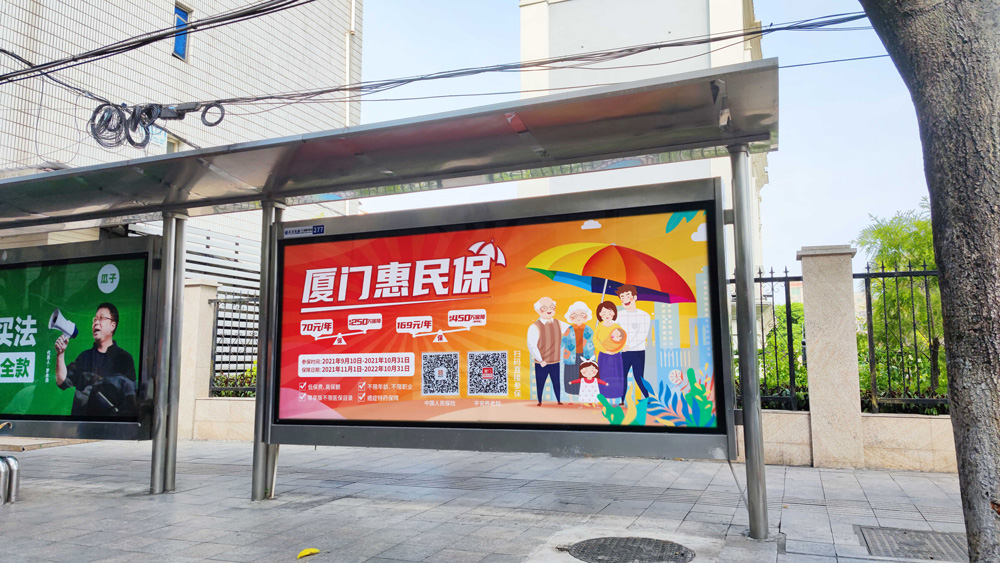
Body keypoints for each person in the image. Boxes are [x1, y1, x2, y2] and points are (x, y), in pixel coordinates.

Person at [54, 303, 137, 416]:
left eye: (101, 318)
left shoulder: (124, 358)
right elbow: (62, 381)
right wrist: (60, 354)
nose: (96, 322)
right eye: (95, 319)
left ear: (113, 325)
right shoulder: (84, 357)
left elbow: (130, 397)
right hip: (82, 422)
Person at [526, 296, 568, 405]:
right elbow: (532, 345)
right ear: (538, 310)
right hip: (542, 362)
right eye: (544, 308)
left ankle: (558, 401)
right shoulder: (534, 327)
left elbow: (570, 330)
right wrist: (540, 360)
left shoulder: (559, 323)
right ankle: (540, 401)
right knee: (540, 383)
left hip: (555, 360)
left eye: (551, 307)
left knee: (556, 382)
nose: (549, 310)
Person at [616, 284, 652, 403]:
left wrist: (629, 346)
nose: (625, 299)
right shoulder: (619, 315)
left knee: (639, 377)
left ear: (635, 297)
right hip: (624, 352)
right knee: (622, 377)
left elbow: (642, 335)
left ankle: (647, 398)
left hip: (638, 352)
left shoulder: (644, 315)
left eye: (628, 296)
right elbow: (613, 332)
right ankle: (622, 400)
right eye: (622, 297)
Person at [561, 301, 595, 405]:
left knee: (585, 377)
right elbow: (563, 342)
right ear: (571, 317)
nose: (579, 318)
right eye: (575, 315)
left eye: (582, 315)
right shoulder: (569, 329)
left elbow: (593, 342)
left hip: (585, 356)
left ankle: (585, 399)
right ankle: (571, 400)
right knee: (570, 376)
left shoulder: (588, 329)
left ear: (586, 316)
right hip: (571, 356)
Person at [594, 300, 625, 405]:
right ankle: (606, 402)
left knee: (615, 377)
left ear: (614, 313)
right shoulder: (599, 327)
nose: (607, 315)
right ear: (599, 314)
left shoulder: (616, 327)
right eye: (604, 312)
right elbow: (595, 341)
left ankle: (615, 401)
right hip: (604, 356)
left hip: (615, 356)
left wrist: (615, 350)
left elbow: (622, 340)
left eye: (609, 312)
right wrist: (605, 350)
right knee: (604, 376)